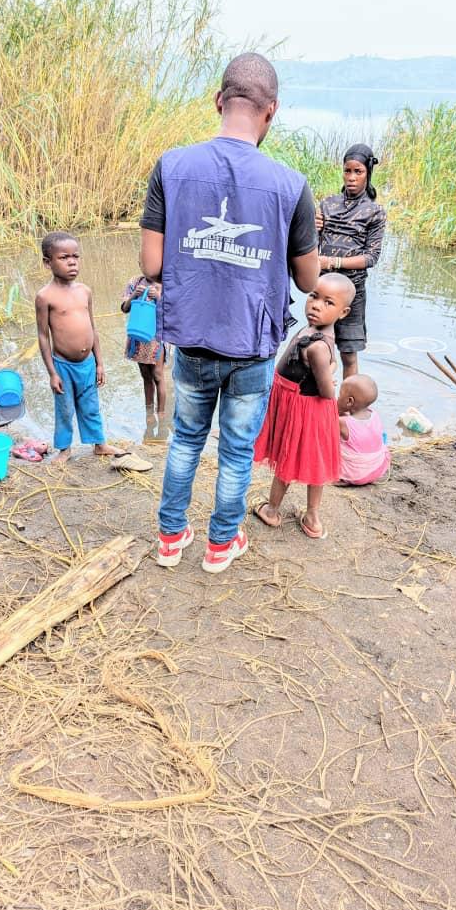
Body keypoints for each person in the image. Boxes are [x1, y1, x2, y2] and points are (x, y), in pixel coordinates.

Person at [140, 52, 319, 573]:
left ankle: (170, 539)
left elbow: (152, 265)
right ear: (272, 111)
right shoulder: (291, 185)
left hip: (192, 338)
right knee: (238, 451)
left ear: (220, 101)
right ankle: (221, 544)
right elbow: (308, 282)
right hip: (252, 344)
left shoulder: (171, 167)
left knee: (186, 441)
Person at [253, 274, 354, 539]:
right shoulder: (315, 331)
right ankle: (311, 518)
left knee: (290, 457)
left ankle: (273, 510)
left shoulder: (318, 346)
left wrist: (329, 372)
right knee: (314, 462)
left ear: (343, 312)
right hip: (301, 404)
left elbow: (326, 390)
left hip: (303, 409)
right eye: (314, 296)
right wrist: (331, 368)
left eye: (328, 302)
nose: (316, 305)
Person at [35, 231, 120, 462]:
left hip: (88, 363)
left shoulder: (85, 291)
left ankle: (99, 444)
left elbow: (93, 327)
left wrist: (100, 362)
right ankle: (64, 449)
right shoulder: (45, 296)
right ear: (47, 262)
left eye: (75, 256)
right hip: (63, 365)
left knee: (91, 405)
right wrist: (52, 373)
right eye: (64, 257)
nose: (72, 262)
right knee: (64, 409)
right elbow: (43, 336)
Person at [315, 143, 387, 380]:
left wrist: (332, 262)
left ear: (368, 173)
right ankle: (319, 407)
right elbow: (310, 247)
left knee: (349, 355)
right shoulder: (327, 204)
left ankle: (345, 409)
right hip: (324, 289)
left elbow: (371, 257)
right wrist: (312, 228)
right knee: (317, 348)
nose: (352, 177)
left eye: (358, 172)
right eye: (348, 171)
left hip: (351, 292)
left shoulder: (374, 212)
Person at [120, 274, 170, 424]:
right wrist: (134, 295)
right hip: (138, 337)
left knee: (158, 375)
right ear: (140, 264)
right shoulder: (135, 282)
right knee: (146, 377)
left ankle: (161, 412)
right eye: (143, 262)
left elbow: (174, 311)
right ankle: (149, 413)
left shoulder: (167, 282)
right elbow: (124, 308)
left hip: (157, 337)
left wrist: (159, 297)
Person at [336, 373, 390, 486]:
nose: (337, 397)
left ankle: (342, 477)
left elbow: (325, 420)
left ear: (350, 401)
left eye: (339, 395)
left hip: (356, 475)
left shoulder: (343, 423)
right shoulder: (374, 414)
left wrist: (336, 407)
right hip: (377, 469)